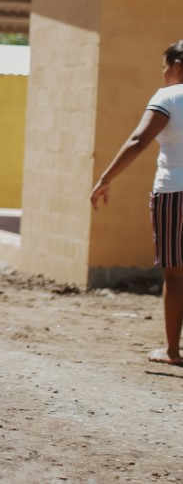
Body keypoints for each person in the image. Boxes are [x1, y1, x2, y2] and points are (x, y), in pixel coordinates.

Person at [91, 39, 183, 366]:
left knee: (176, 274)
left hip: (174, 193)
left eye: (164, 67)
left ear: (177, 66)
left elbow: (139, 140)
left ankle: (171, 351)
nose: (163, 73)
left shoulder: (167, 97)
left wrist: (106, 178)